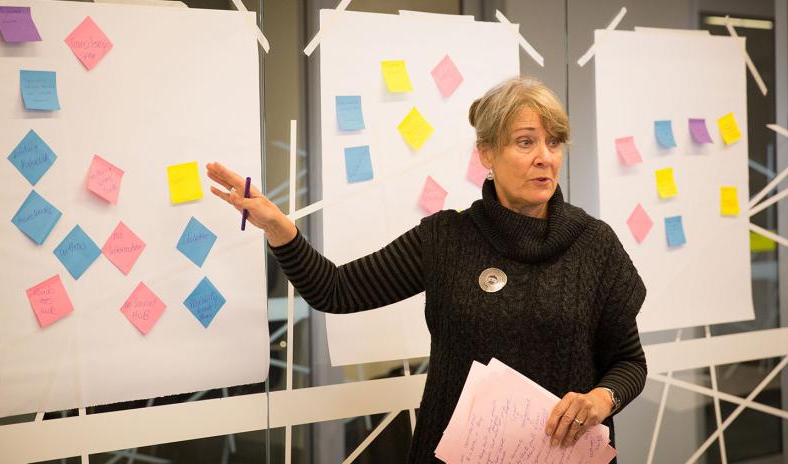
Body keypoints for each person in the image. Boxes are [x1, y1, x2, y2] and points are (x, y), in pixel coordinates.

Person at [206, 76, 647, 463]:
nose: (545, 157)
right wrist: (281, 229)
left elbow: (629, 362)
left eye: (554, 142)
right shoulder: (446, 238)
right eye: (526, 141)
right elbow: (335, 290)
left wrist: (602, 399)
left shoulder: (594, 245)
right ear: (487, 154)